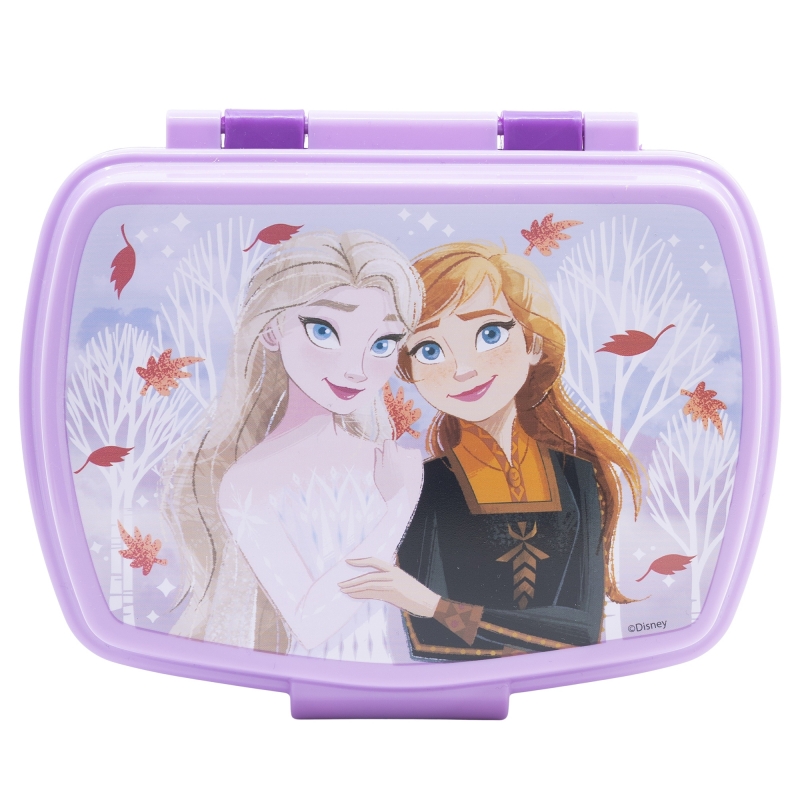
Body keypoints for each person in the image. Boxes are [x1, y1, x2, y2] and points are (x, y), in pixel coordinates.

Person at [339, 241, 641, 660]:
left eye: (489, 334)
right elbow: (429, 639)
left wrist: (436, 606)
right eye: (430, 350)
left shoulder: (577, 474)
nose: (463, 369)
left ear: (533, 344)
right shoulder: (422, 483)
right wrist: (438, 612)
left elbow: (582, 632)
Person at [165, 231, 423, 662]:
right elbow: (310, 622)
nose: (356, 370)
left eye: (381, 344)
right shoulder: (249, 481)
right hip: (307, 673)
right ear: (271, 330)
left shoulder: (387, 463)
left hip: (391, 673)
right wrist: (397, 508)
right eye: (324, 331)